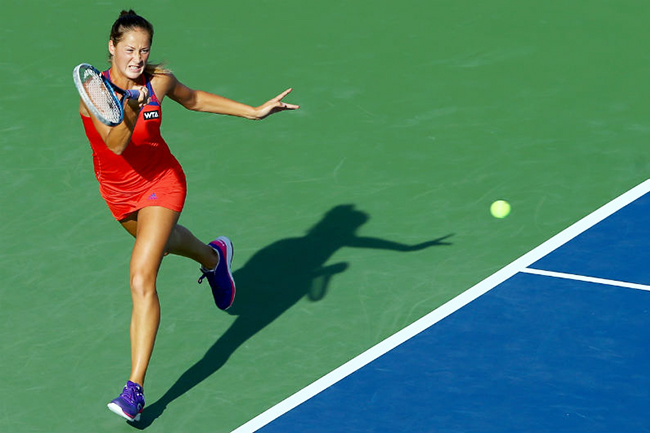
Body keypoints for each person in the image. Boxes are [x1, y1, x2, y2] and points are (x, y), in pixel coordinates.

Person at [78, 10, 299, 422]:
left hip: (163, 183)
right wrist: (130, 107)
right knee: (165, 241)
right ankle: (214, 258)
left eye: (144, 50)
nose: (138, 58)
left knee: (141, 277)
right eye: (129, 49)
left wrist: (253, 111)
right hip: (118, 194)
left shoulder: (158, 82)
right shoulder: (93, 93)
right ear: (112, 47)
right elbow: (116, 143)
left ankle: (134, 389)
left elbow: (193, 98)